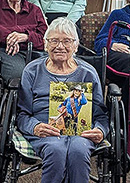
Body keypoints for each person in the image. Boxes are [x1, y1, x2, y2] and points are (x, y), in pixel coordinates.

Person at [17, 18, 108, 183]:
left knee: (78, 150)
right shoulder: (32, 71)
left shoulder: (88, 73)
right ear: (45, 44)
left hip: (80, 130)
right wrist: (35, 127)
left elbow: (100, 115)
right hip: (45, 128)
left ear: (75, 45)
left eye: (66, 41)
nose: (60, 46)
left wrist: (100, 130)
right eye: (54, 41)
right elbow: (22, 113)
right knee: (56, 149)